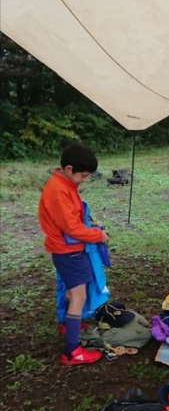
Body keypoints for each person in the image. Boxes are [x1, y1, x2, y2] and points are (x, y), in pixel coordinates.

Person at [38, 142, 109, 366]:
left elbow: (72, 218)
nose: (85, 179)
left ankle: (68, 324)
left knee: (72, 292)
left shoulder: (65, 184)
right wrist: (98, 236)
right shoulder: (58, 190)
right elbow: (71, 228)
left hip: (69, 250)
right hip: (69, 252)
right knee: (79, 297)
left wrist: (90, 223)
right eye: (83, 175)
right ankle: (72, 351)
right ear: (69, 169)